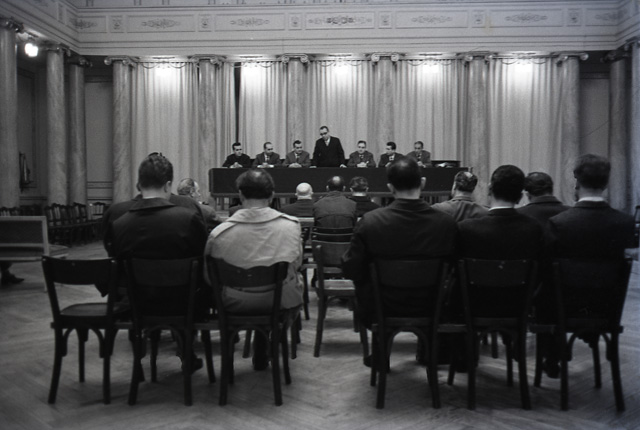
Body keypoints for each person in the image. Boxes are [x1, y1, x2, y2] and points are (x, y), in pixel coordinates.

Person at [111, 153, 209, 371]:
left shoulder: (119, 224)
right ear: (167, 185)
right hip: (185, 303)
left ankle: (139, 360)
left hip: (138, 303)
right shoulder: (187, 219)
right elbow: (202, 258)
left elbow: (116, 263)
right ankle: (186, 350)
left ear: (139, 184)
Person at [542, 154, 635, 378]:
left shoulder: (559, 223)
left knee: (545, 290)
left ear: (576, 182)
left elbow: (547, 270)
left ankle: (552, 356)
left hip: (565, 307)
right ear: (606, 183)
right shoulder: (625, 223)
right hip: (606, 306)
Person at [205, 169, 303, 370]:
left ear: (240, 195)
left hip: (233, 302)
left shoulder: (219, 234)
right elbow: (296, 264)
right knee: (294, 286)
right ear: (272, 195)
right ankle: (269, 340)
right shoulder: (291, 226)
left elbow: (208, 278)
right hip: (278, 301)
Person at [342, 157, 457, 326]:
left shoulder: (370, 222)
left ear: (390, 188)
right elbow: (455, 269)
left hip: (381, 308)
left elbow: (350, 268)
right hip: (433, 307)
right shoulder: (446, 223)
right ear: (423, 183)